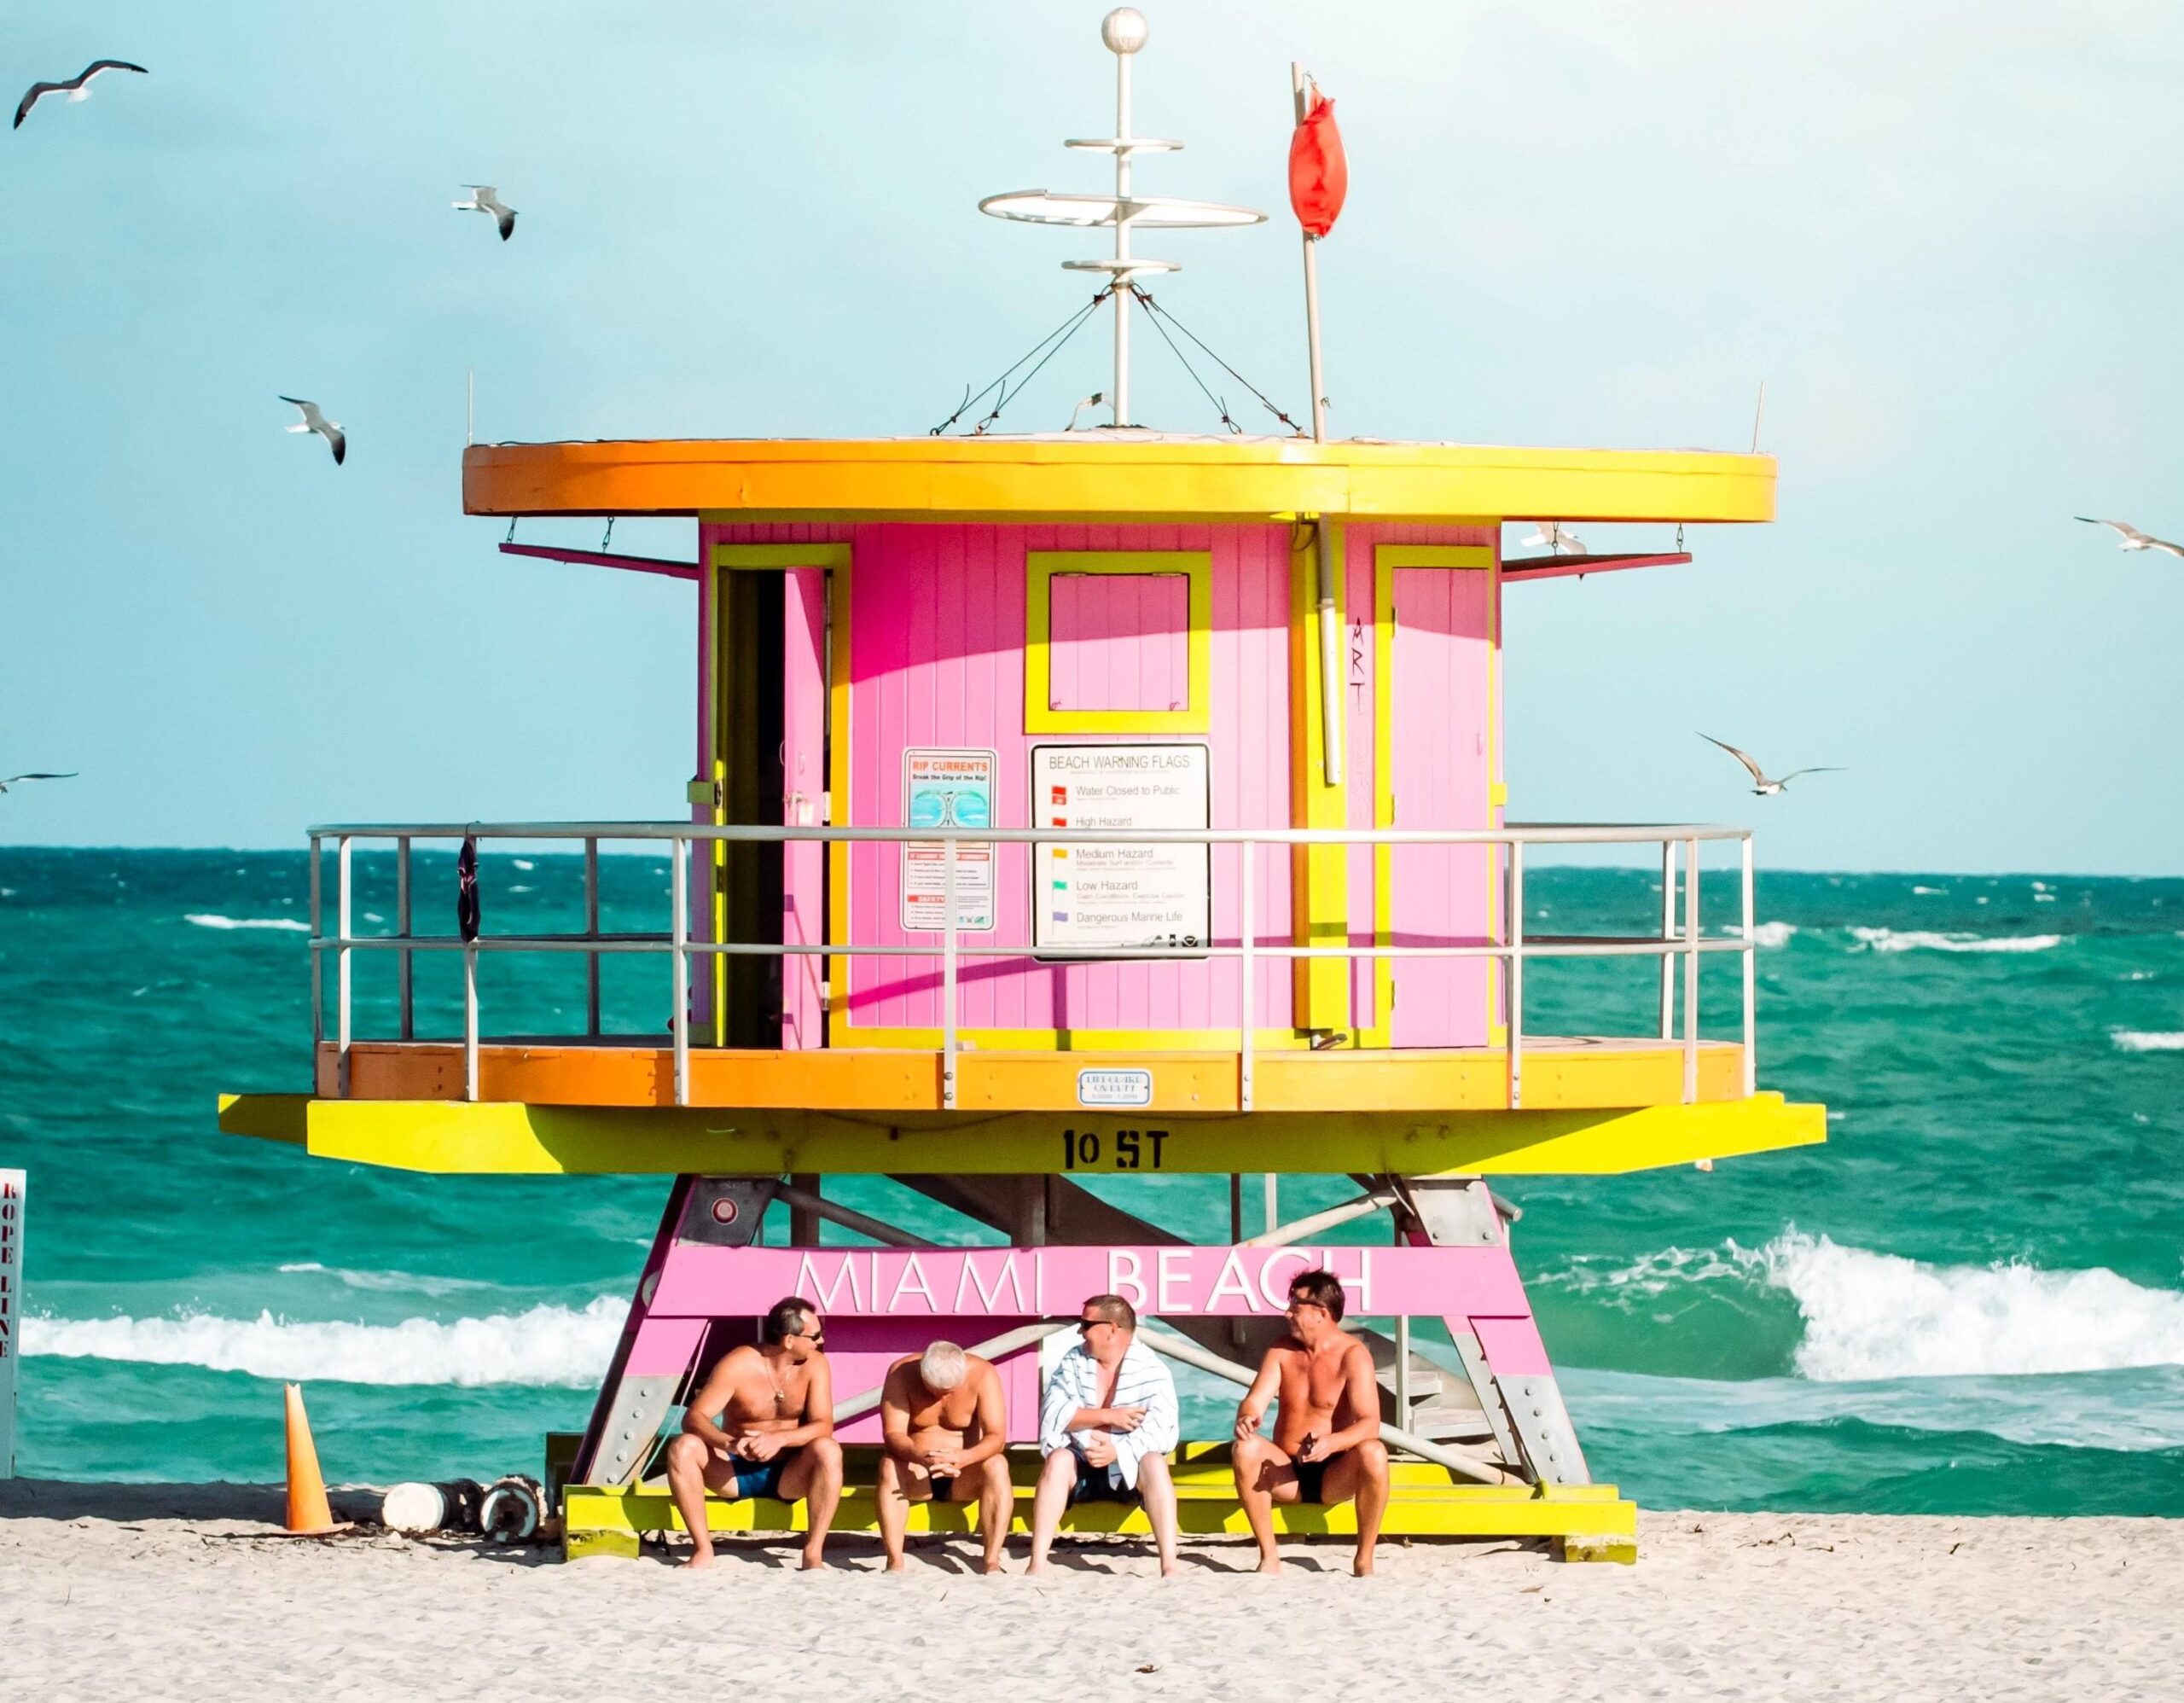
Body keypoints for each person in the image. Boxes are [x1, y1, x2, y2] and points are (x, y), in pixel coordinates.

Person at [663, 1295, 844, 1571]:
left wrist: (780, 1438)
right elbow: (694, 1418)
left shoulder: (816, 1365)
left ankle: (813, 1555)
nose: (820, 1341)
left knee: (829, 1449)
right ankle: (702, 1550)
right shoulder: (738, 1364)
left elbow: (824, 1425)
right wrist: (731, 1443)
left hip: (788, 1473)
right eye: (815, 1335)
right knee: (683, 1447)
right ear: (789, 1340)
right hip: (735, 1471)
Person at [1230, 1268, 1391, 1576]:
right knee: (1245, 1448)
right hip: (1285, 1471)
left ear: (1321, 1312)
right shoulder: (1281, 1350)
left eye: (1295, 1304)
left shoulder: (1353, 1355)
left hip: (1334, 1472)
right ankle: (1269, 1557)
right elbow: (1256, 1398)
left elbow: (1370, 1423)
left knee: (1374, 1452)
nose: (1287, 1312)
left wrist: (1332, 1443)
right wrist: (1248, 1416)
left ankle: (1364, 1559)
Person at [1029, 1292, 1182, 1578]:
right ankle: (1037, 1563)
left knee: (1155, 1463)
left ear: (1112, 1329)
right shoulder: (1073, 1362)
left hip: (1128, 1472)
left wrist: (1118, 1452)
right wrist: (1108, 1416)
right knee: (1059, 1459)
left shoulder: (1151, 1369)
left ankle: (1169, 1565)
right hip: (1081, 1463)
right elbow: (1051, 1415)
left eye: (1086, 1324)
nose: (1079, 1330)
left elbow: (1164, 1431)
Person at [876, 1340, 1014, 1574]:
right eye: (933, 1390)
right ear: (922, 1374)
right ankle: (894, 1561)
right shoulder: (901, 1373)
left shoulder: (983, 1374)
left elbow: (996, 1437)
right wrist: (919, 1456)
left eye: (948, 1392)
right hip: (918, 1469)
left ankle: (991, 1561)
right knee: (889, 1465)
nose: (941, 1398)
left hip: (963, 1471)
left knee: (998, 1465)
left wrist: (965, 1457)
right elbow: (893, 1434)